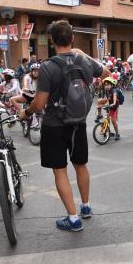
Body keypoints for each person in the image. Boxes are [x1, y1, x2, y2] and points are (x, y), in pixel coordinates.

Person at [20, 21, 109, 231]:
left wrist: (27, 112)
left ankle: (73, 218)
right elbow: (105, 73)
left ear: (53, 41)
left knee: (60, 171)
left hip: (54, 125)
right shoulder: (83, 60)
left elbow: (39, 103)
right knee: (81, 165)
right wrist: (83, 55)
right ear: (72, 39)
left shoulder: (48, 67)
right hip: (78, 122)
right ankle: (86, 207)